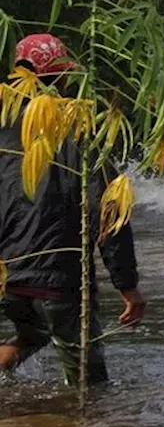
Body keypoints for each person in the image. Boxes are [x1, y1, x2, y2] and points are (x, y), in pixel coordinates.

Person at [0, 34, 145, 386]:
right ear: (63, 79)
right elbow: (109, 211)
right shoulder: (77, 130)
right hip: (58, 278)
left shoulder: (3, 130)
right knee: (91, 384)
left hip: (7, 277)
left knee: (32, 334)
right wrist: (127, 285)